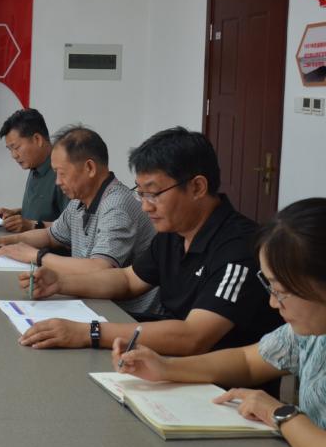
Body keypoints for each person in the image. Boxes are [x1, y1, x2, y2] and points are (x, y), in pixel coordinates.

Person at [17, 127, 281, 351]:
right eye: (141, 193)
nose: (145, 206)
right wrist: (60, 282)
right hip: (164, 360)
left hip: (217, 384)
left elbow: (194, 337)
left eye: (153, 193)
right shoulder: (173, 232)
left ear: (197, 187)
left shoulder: (239, 247)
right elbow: (127, 280)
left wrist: (90, 332)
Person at [115, 198, 326, 447]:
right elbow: (247, 361)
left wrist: (280, 414)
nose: (274, 303)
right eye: (271, 288)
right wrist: (166, 367)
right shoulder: (310, 332)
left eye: (282, 291)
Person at [0, 124, 160, 317]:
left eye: (62, 173)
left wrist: (37, 256)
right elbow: (50, 235)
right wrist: (2, 242)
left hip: (125, 314)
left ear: (89, 168)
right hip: (92, 299)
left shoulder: (116, 206)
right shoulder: (79, 201)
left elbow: (100, 268)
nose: (58, 181)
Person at [0, 109, 69, 232]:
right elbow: (44, 212)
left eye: (16, 147)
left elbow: (72, 227)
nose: (14, 155)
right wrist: (16, 213)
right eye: (10, 149)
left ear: (37, 139)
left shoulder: (62, 173)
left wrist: (32, 225)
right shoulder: (35, 166)